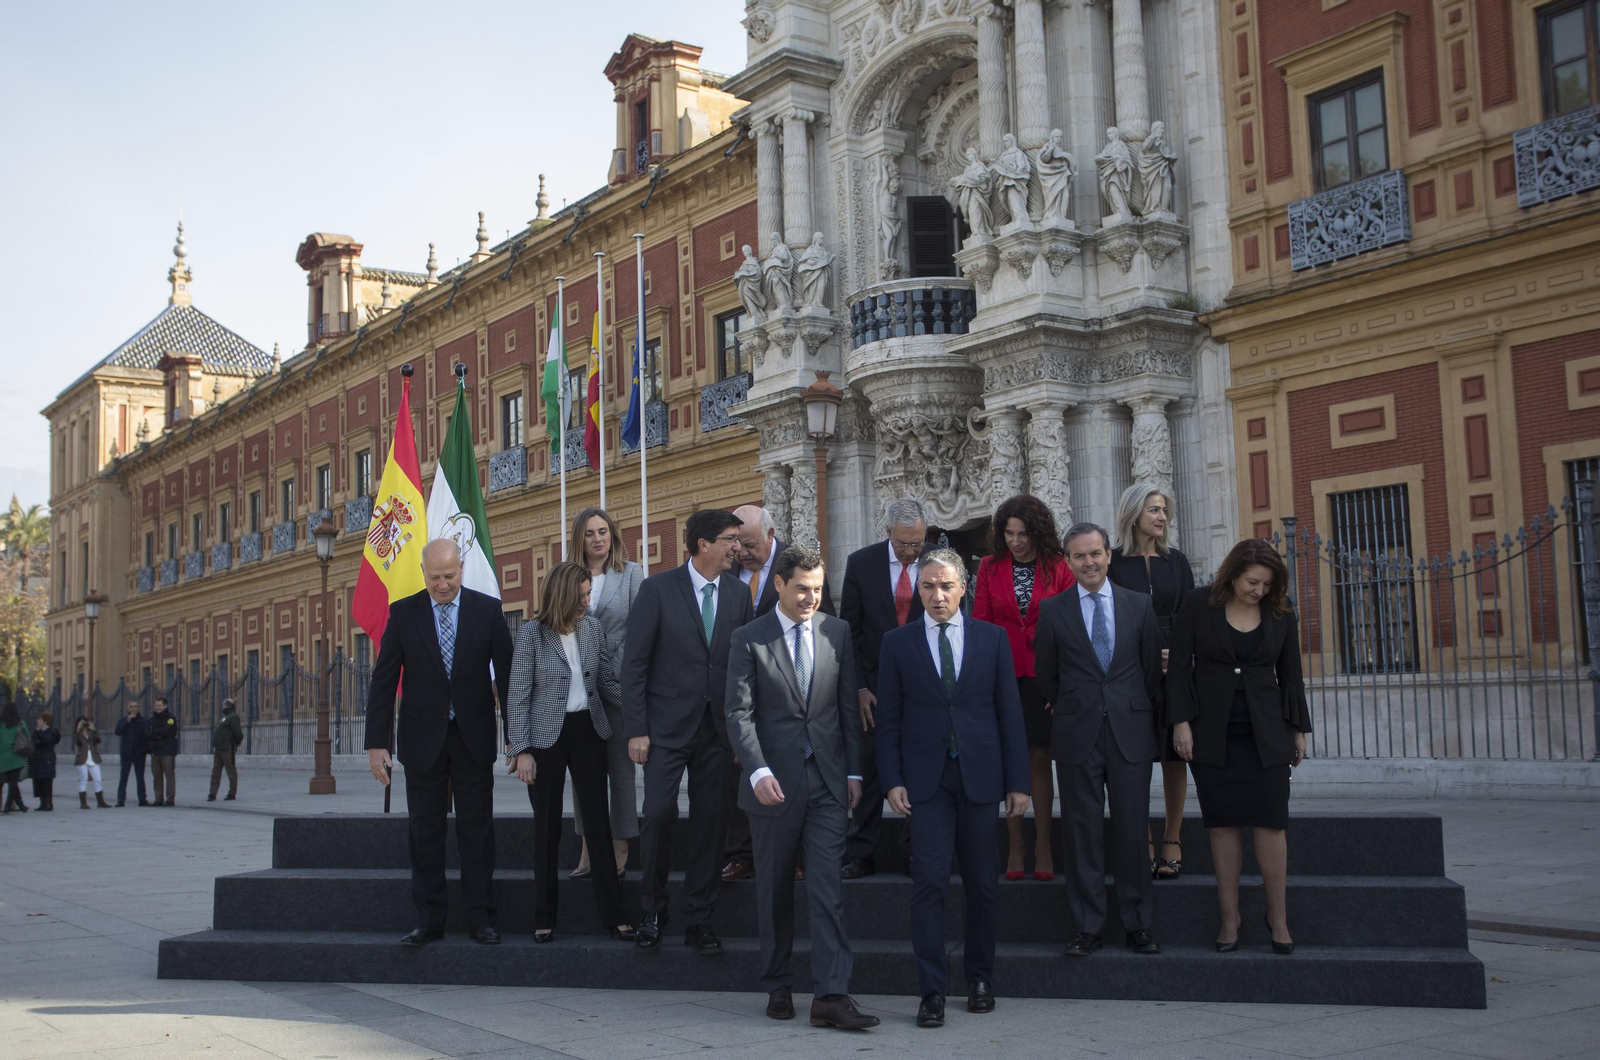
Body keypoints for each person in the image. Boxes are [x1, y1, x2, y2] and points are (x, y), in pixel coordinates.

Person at [724, 545, 879, 1029]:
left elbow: (846, 710)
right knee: (773, 891)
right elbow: (737, 713)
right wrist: (757, 770)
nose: (812, 598)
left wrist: (854, 773)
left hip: (829, 782)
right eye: (802, 589)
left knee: (827, 890)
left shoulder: (837, 632)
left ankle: (831, 995)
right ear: (779, 585)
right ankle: (778, 984)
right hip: (773, 785)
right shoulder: (749, 638)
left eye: (818, 589)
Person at [875, 548, 1030, 1028]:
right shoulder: (896, 644)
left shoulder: (992, 639)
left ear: (964, 587)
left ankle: (980, 977)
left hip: (981, 775)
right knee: (929, 883)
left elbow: (1009, 713)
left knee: (983, 883)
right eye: (927, 587)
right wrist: (892, 780)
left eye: (946, 586)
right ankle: (932, 991)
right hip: (926, 781)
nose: (937, 596)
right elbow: (889, 721)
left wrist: (1018, 782)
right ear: (916, 591)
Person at [365, 537, 515, 948]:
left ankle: (481, 917)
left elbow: (507, 678)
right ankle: (429, 919)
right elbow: (383, 681)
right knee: (424, 832)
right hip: (422, 739)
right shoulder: (404, 613)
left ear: (461, 568)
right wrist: (376, 742)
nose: (443, 584)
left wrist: (516, 740)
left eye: (449, 576)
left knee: (476, 830)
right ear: (423, 573)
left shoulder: (486, 611)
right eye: (435, 578)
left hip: (473, 737)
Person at [1168, 539, 1311, 955]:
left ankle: (1278, 919)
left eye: (1267, 584)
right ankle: (1230, 920)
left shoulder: (1281, 614)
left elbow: (1292, 677)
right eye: (1252, 582)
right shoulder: (1197, 606)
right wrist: (1181, 724)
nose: (1259, 591)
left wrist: (1299, 731)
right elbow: (1178, 670)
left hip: (1268, 733)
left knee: (1271, 824)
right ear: (1232, 575)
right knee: (1223, 826)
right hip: (1211, 732)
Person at [623, 508, 755, 952]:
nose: (738, 548)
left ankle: (700, 918)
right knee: (658, 813)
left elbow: (743, 667)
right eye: (731, 539)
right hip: (664, 729)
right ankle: (653, 910)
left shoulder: (740, 594)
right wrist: (636, 730)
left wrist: (744, 732)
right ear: (703, 544)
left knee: (711, 825)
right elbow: (634, 665)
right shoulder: (657, 590)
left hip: (719, 731)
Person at [1035, 523, 1164, 957]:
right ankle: (1089, 927)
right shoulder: (1053, 611)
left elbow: (1149, 673)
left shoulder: (1139, 605)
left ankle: (1137, 925)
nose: (1088, 562)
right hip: (1076, 735)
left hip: (1130, 733)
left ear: (1109, 555)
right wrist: (1074, 704)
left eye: (1095, 554)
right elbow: (1046, 676)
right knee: (1081, 833)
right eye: (1079, 556)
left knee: (1132, 832)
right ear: (1068, 562)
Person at [507, 561, 636, 944]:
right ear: (562, 595)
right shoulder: (532, 633)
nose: (586, 602)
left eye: (587, 594)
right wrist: (521, 749)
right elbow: (518, 695)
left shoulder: (592, 628)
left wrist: (639, 710)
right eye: (580, 596)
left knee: (598, 824)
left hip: (587, 730)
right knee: (546, 827)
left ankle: (615, 917)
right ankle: (544, 917)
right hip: (545, 738)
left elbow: (606, 683)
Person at [723, 503, 835, 883]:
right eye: (738, 543)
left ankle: (799, 857)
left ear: (771, 536)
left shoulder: (800, 570)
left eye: (750, 543)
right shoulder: (729, 570)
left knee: (797, 781)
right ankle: (742, 855)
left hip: (794, 698)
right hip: (740, 689)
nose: (743, 551)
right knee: (748, 773)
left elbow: (828, 629)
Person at [972, 494, 1076, 881]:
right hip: (1002, 675)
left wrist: (1061, 686)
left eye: (1023, 534)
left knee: (1038, 760)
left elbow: (1068, 626)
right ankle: (1015, 844)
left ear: (1038, 532)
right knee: (1008, 760)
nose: (1016, 541)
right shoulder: (988, 567)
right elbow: (980, 623)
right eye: (1009, 533)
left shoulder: (1059, 567)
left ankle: (1044, 844)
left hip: (1045, 677)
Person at [1109, 483, 1196, 881]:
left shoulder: (1176, 561)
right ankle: (1142, 842)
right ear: (1133, 514)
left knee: (1174, 757)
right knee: (1136, 757)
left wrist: (1175, 654)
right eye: (1154, 510)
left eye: (1164, 510)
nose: (1162, 516)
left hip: (1173, 667)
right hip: (1128, 668)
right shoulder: (1112, 562)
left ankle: (1172, 840)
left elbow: (1190, 614)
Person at [837, 498, 928, 879]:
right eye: (904, 543)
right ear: (887, 532)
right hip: (873, 686)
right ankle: (861, 851)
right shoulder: (862, 564)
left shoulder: (939, 561)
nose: (911, 552)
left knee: (920, 770)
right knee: (870, 769)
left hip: (924, 686)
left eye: (917, 543)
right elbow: (849, 633)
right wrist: (857, 686)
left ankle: (916, 852)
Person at [568, 507, 645, 882]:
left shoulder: (631, 575)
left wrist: (609, 668)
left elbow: (639, 630)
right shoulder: (569, 578)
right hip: (576, 691)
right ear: (579, 540)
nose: (598, 539)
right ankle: (587, 846)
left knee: (619, 769)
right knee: (585, 773)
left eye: (604, 531)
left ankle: (620, 844)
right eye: (590, 533)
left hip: (615, 686)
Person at [145, 697, 179, 806]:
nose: (157, 708)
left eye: (160, 705)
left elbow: (167, 731)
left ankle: (170, 799)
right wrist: (158, 734)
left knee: (169, 775)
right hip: (155, 751)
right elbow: (147, 733)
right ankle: (158, 799)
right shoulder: (152, 719)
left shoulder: (170, 718)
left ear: (165, 706)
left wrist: (154, 732)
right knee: (157, 776)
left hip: (167, 750)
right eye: (156, 706)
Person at [114, 702, 149, 807]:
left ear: (139, 708)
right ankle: (121, 799)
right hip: (126, 753)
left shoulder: (143, 721)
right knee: (123, 776)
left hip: (139, 753)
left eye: (136, 706)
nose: (134, 708)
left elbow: (147, 736)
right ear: (128, 709)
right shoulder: (123, 720)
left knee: (140, 777)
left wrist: (145, 749)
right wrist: (127, 721)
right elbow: (117, 731)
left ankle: (142, 799)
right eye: (131, 707)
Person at [208, 698, 243, 802]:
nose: (223, 707)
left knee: (231, 771)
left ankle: (232, 793)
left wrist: (234, 744)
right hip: (219, 748)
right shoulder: (225, 718)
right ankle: (212, 793)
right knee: (216, 771)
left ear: (228, 706)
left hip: (227, 748)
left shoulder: (233, 717)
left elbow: (238, 733)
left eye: (225, 705)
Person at [73, 716, 108, 809]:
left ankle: (100, 802)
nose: (83, 725)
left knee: (98, 780)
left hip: (93, 758)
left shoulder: (91, 732)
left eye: (85, 722)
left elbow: (98, 740)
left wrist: (94, 730)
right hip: (82, 759)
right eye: (81, 723)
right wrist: (77, 730)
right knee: (84, 780)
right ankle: (83, 803)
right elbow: (77, 742)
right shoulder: (77, 733)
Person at [29, 711, 61, 811]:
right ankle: (42, 803)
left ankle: (48, 803)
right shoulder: (37, 731)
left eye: (40, 719)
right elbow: (33, 741)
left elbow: (47, 741)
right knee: (38, 781)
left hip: (47, 759)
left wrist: (39, 733)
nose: (37, 721)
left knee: (46, 781)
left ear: (45, 721)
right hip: (37, 759)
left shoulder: (51, 731)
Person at [0, 702, 27, 813]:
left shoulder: (1, 725)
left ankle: (19, 805)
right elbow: (27, 738)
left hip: (2, 758)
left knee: (7, 782)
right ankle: (9, 805)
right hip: (16, 757)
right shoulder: (20, 724)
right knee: (13, 782)